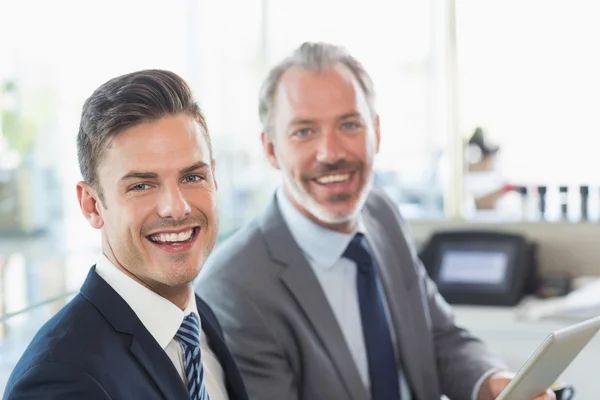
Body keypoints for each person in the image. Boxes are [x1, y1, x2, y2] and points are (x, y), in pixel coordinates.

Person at [195, 43, 554, 400]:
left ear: (376, 133)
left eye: (349, 124)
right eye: (304, 131)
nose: (331, 153)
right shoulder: (234, 288)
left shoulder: (382, 213)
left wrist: (493, 383)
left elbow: (438, 335)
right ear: (271, 149)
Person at [3, 70, 248, 400]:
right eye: (142, 186)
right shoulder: (58, 380)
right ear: (91, 205)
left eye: (192, 177)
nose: (176, 208)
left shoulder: (194, 317)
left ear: (214, 179)